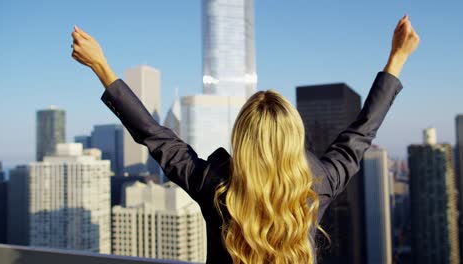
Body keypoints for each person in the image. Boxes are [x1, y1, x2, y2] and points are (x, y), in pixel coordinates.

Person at [71, 15, 419, 264]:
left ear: (242, 137)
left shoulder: (216, 187)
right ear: (294, 137)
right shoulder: (318, 185)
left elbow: (154, 136)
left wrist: (102, 66)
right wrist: (397, 59)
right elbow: (360, 134)